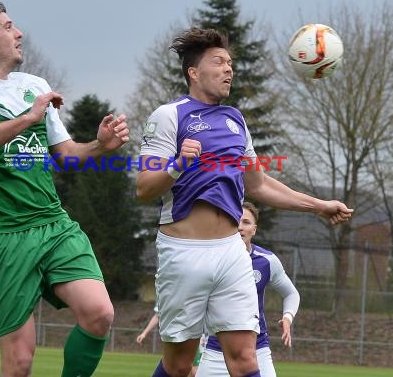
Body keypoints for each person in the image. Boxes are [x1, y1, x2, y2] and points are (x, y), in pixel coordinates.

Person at [136, 27, 352, 377]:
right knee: (178, 366)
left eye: (231, 63)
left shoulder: (235, 120)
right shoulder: (168, 116)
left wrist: (319, 205)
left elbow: (260, 184)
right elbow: (144, 188)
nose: (229, 69)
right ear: (194, 72)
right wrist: (177, 166)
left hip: (231, 253)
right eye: (219, 62)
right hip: (184, 253)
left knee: (244, 359)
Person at [0, 0, 129, 377]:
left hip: (54, 225)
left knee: (100, 314)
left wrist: (100, 145)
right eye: (9, 26)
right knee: (20, 362)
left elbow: (67, 155)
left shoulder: (34, 87)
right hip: (3, 236)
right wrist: (28, 118)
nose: (19, 33)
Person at [197, 202, 300, 377]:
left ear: (254, 229)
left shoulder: (266, 261)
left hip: (257, 349)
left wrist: (287, 317)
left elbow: (291, 293)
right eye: (235, 221)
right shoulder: (209, 259)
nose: (239, 227)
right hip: (216, 349)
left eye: (246, 222)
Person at [136, 306, 203, 377]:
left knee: (193, 371)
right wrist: (144, 333)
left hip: (204, 337)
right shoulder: (169, 298)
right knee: (188, 370)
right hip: (187, 337)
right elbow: (158, 315)